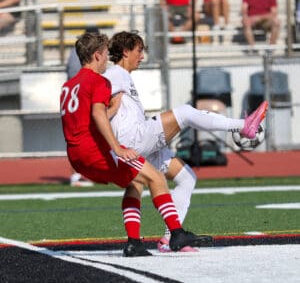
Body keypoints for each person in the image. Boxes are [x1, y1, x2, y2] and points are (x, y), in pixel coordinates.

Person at [103, 31, 268, 252]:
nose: (142, 56)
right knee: (185, 113)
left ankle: (169, 238)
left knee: (186, 177)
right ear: (125, 51)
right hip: (133, 138)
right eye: (139, 51)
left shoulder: (122, 75)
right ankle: (242, 125)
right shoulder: (114, 74)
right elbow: (99, 107)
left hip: (136, 141)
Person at [60, 31, 213, 257]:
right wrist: (116, 147)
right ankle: (176, 232)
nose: (107, 61)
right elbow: (98, 115)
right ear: (96, 56)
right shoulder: (99, 80)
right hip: (97, 153)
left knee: (135, 183)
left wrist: (112, 110)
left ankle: (134, 243)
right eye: (104, 55)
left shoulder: (68, 86)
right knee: (156, 177)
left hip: (76, 157)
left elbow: (86, 116)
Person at [66, 26, 100, 187]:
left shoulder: (76, 50)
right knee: (86, 135)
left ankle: (79, 173)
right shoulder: (87, 53)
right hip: (82, 98)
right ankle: (83, 173)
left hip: (74, 97)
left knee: (75, 137)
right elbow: (84, 75)